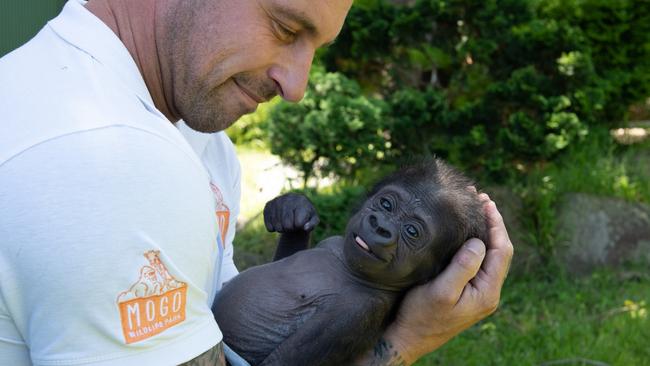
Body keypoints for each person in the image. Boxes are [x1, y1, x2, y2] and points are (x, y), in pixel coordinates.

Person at [0, 0, 513, 365]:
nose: (297, 87)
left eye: (316, 47)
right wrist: (407, 341)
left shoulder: (197, 138)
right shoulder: (113, 158)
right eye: (286, 28)